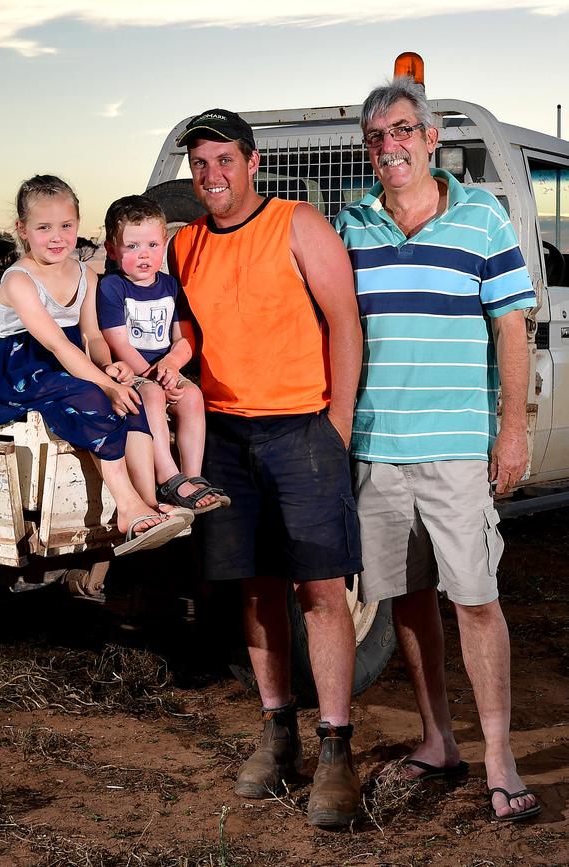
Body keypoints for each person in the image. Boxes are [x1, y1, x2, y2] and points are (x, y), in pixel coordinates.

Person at [334, 77, 541, 822]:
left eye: (401, 131)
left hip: (457, 446)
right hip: (378, 447)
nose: (389, 146)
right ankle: (438, 739)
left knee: (476, 599)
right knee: (410, 598)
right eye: (376, 137)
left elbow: (511, 326)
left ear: (429, 138)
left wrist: (510, 429)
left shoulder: (482, 217)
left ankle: (499, 755)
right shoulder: (351, 224)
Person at [170, 108, 364, 829]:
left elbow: (344, 319)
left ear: (252, 162)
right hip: (225, 435)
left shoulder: (297, 224)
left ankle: (337, 748)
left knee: (320, 589)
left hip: (301, 429)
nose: (212, 175)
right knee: (256, 590)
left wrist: (336, 425)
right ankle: (278, 730)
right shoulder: (185, 243)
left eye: (225, 160)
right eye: (201, 164)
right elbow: (177, 325)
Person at [0, 174, 190, 555]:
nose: (57, 236)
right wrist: (103, 385)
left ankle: (150, 502)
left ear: (77, 224)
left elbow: (92, 337)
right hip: (22, 367)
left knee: (132, 394)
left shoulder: (85, 274)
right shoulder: (19, 280)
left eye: (66, 226)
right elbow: (54, 342)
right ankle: (127, 506)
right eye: (44, 227)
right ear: (22, 229)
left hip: (73, 361)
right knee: (93, 396)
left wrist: (110, 369)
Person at [97, 195, 230, 515]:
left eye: (153, 245)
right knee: (154, 396)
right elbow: (119, 344)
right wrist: (154, 374)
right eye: (132, 247)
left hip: (165, 370)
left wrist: (171, 365)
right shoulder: (112, 288)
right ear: (112, 250)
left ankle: (193, 477)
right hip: (132, 372)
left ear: (165, 242)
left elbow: (184, 339)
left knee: (193, 396)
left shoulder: (171, 287)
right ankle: (168, 476)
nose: (144, 255)